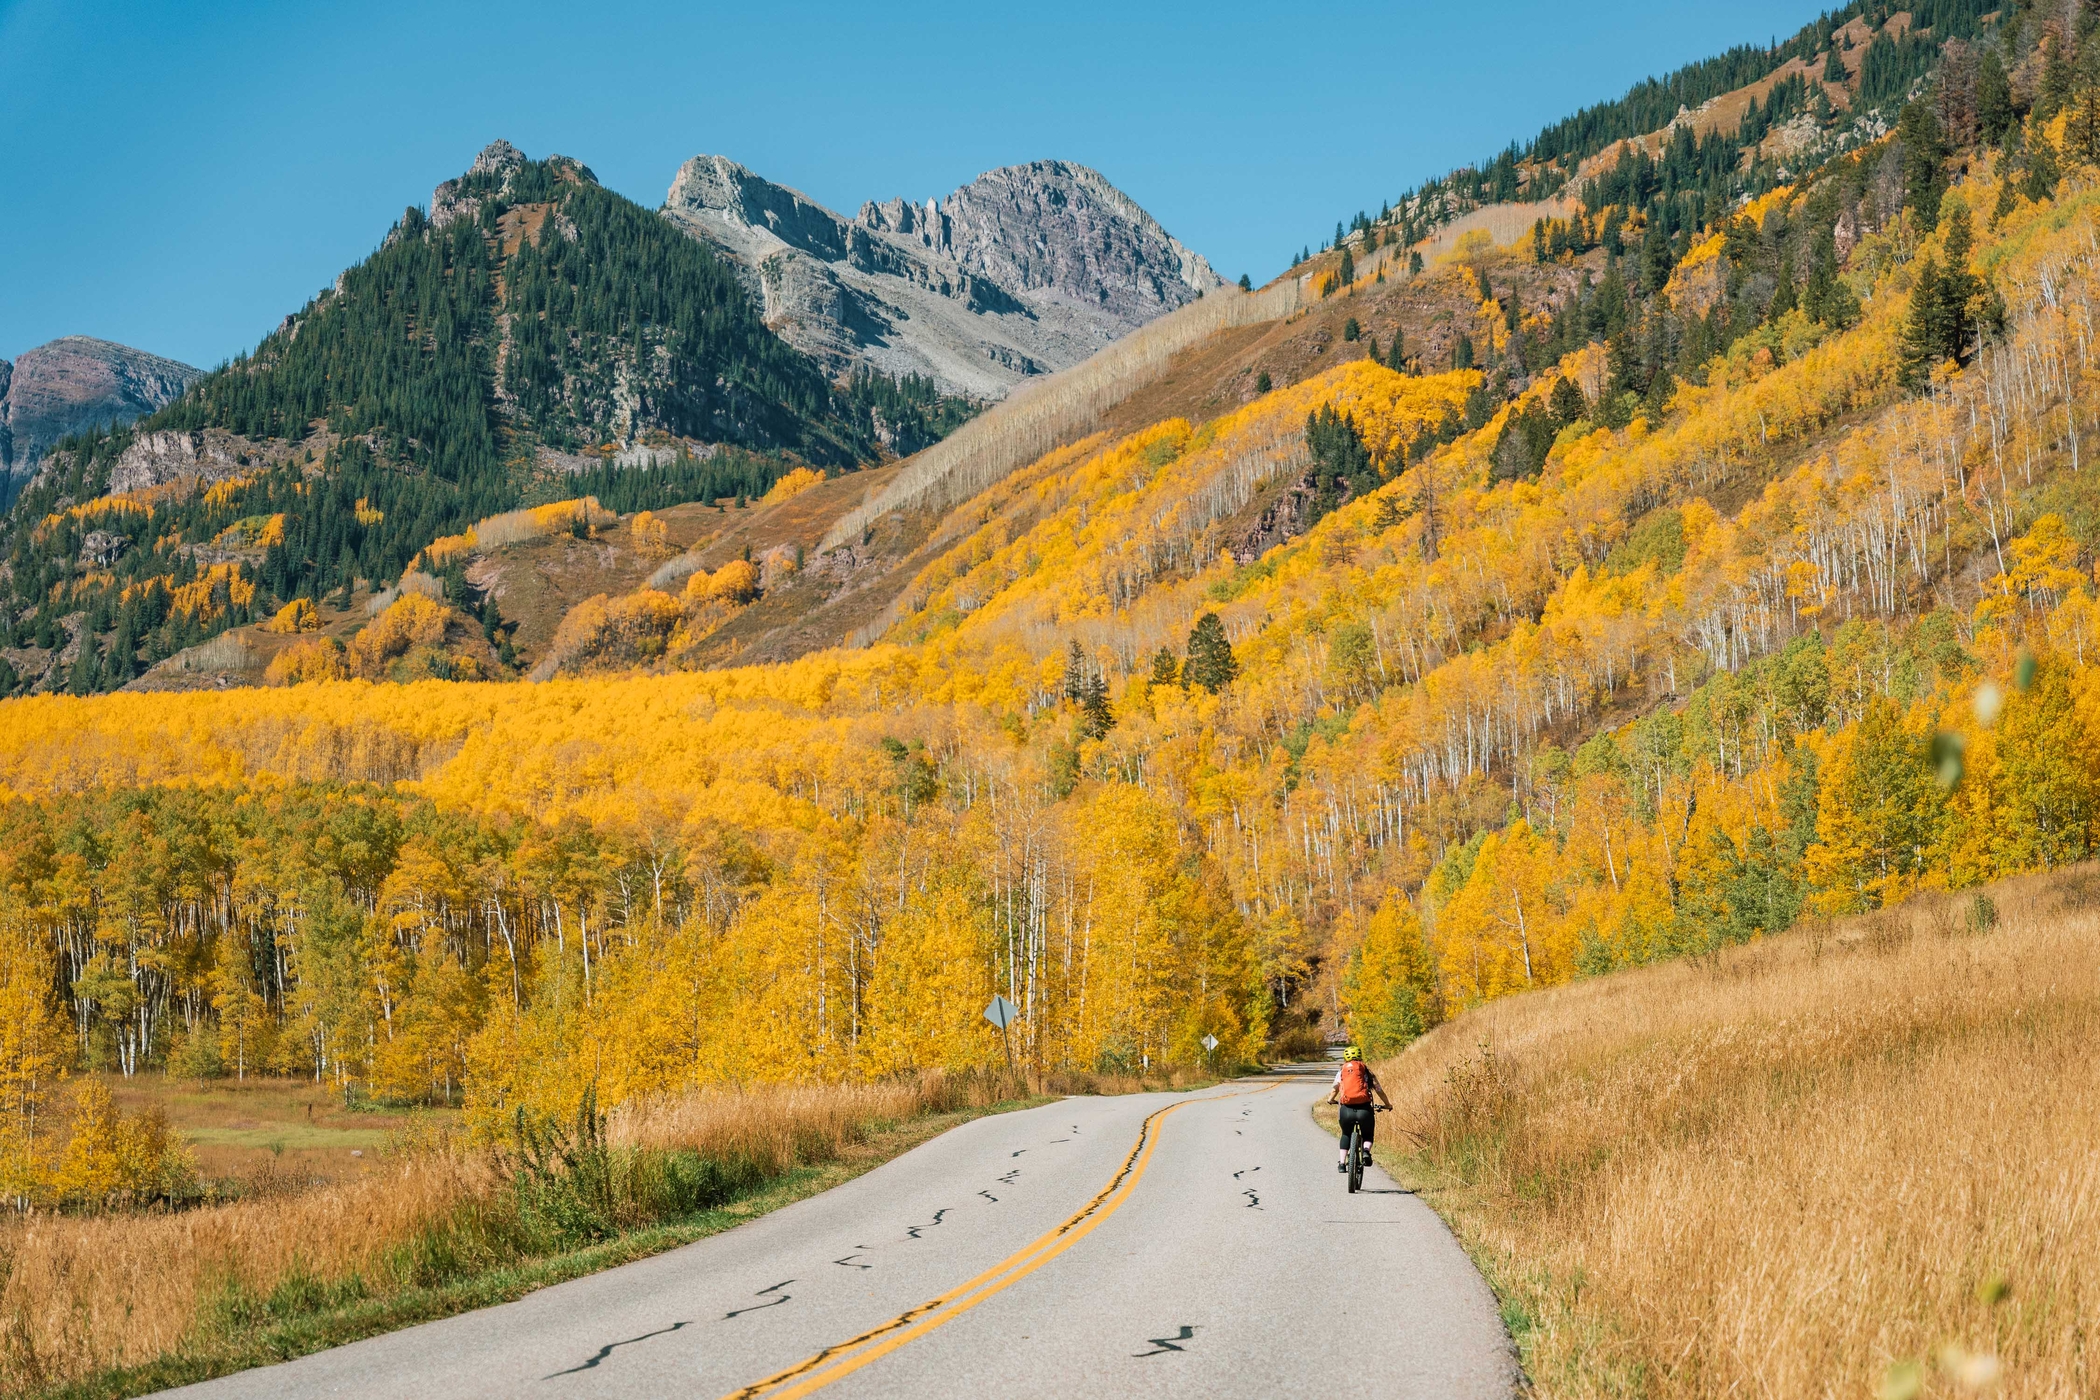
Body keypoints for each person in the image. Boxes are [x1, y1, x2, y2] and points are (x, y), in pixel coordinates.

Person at [1327, 1045, 1392, 1172]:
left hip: (1346, 1110)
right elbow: (1379, 1091)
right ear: (1360, 1057)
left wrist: (1330, 1100)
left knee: (1346, 1134)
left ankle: (1341, 1163)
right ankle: (1366, 1151)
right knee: (1367, 1134)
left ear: (1345, 1058)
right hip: (1364, 1110)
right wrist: (1387, 1104)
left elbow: (1335, 1089)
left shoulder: (1341, 1072)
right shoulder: (1367, 1072)